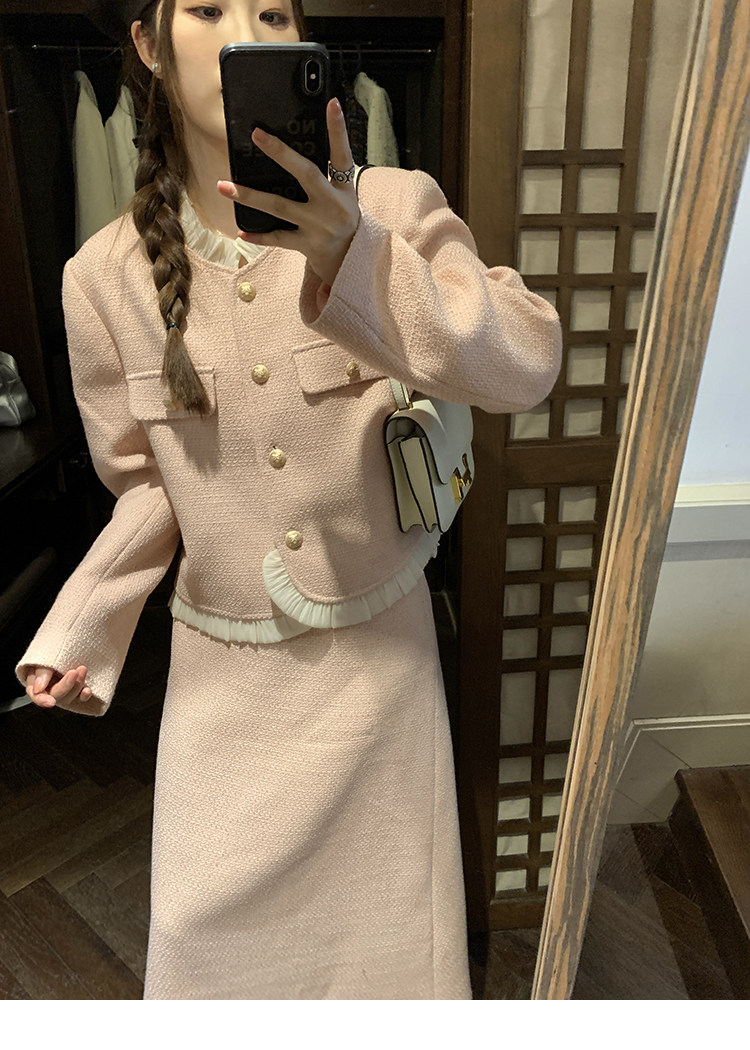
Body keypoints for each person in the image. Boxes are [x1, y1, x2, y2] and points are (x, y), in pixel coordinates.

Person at [15, 0, 562, 999]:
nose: (248, 31)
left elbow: (527, 359)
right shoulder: (101, 278)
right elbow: (147, 492)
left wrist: (359, 255)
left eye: (272, 10)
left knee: (390, 971)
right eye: (210, 8)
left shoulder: (388, 202)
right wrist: (82, 623)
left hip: (378, 674)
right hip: (222, 688)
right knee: (202, 951)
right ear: (148, 45)